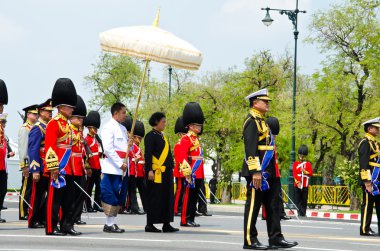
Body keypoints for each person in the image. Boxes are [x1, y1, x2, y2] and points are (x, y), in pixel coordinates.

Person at [242, 89, 297, 250]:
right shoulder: (251, 121)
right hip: (258, 171)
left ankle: (276, 238)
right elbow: (250, 148)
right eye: (264, 101)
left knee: (273, 205)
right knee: (253, 205)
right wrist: (255, 172)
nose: (267, 103)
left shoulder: (263, 121)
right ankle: (250, 240)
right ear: (255, 103)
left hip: (270, 171)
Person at [44, 78, 78, 236]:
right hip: (59, 167)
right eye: (70, 106)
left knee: (68, 200)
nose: (72, 109)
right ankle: (51, 227)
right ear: (61, 106)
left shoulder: (69, 125)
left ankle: (67, 225)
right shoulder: (54, 123)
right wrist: (53, 168)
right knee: (55, 200)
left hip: (69, 168)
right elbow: (50, 147)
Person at [144, 112, 178, 233]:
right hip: (156, 172)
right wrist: (149, 170)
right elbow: (148, 155)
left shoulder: (163, 136)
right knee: (155, 198)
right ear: (156, 122)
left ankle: (166, 223)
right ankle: (150, 224)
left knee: (167, 198)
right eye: (163, 121)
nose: (165, 124)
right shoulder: (150, 136)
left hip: (166, 172)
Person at [100, 102, 129, 233]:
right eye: (123, 112)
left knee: (119, 195)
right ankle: (109, 223)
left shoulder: (123, 129)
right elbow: (108, 149)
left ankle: (110, 223)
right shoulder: (108, 127)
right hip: (112, 167)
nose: (125, 115)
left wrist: (131, 144)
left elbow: (125, 148)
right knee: (110, 195)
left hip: (122, 167)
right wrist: (119, 163)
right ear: (115, 113)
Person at [27, 99, 53, 228]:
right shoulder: (37, 128)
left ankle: (42, 217)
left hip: (48, 166)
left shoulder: (48, 126)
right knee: (37, 195)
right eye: (48, 111)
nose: (50, 113)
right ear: (41, 112)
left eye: (51, 111)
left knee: (48, 194)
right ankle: (33, 219)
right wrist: (35, 169)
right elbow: (33, 149)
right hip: (40, 167)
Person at [179, 102, 205, 227]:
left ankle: (191, 218)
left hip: (199, 172)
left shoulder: (196, 138)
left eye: (200, 124)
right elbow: (182, 157)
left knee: (194, 197)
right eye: (197, 124)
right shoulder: (186, 138)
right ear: (190, 125)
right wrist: (187, 173)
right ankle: (185, 219)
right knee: (188, 197)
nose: (199, 127)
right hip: (192, 172)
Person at [263, 117, 291, 221]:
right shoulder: (267, 143)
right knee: (269, 196)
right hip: (269, 173)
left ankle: (280, 213)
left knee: (277, 195)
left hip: (276, 173)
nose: (274, 136)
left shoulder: (273, 143)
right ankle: (267, 214)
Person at [358, 118, 380, 236]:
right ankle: (364, 229)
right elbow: (364, 163)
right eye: (376, 127)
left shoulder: (375, 142)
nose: (378, 129)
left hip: (378, 179)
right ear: (369, 129)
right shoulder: (365, 142)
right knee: (368, 204)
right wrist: (367, 181)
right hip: (370, 179)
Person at [69, 95, 89, 227]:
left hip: (80, 167)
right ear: (71, 118)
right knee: (70, 196)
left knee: (80, 194)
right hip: (71, 166)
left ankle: (76, 216)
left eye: (82, 118)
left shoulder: (79, 132)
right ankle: (69, 218)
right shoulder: (68, 130)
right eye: (78, 117)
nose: (81, 120)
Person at [18, 104, 39, 220]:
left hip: (34, 163)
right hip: (28, 164)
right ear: (28, 115)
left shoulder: (34, 127)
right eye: (34, 114)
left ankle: (29, 210)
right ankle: (22, 212)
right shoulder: (24, 128)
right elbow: (23, 148)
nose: (36, 116)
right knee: (26, 189)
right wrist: (24, 166)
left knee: (31, 190)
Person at [84, 111, 104, 213]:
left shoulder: (96, 139)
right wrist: (88, 167)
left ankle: (97, 204)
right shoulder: (86, 139)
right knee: (89, 187)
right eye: (94, 128)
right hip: (91, 167)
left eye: (96, 128)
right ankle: (87, 205)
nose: (95, 130)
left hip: (97, 166)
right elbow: (85, 155)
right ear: (89, 128)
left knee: (99, 187)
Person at [127, 120, 146, 215]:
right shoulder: (131, 146)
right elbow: (131, 157)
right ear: (134, 137)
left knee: (143, 190)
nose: (140, 139)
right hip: (133, 171)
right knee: (132, 191)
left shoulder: (138, 147)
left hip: (139, 172)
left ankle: (146, 207)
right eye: (139, 137)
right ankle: (133, 207)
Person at [293, 145, 313, 217]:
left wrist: (305, 171)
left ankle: (303, 212)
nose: (302, 157)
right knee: (298, 199)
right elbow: (295, 173)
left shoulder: (308, 164)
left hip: (305, 184)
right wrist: (298, 182)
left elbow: (310, 173)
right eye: (300, 155)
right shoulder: (295, 164)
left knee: (304, 199)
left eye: (303, 155)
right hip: (298, 183)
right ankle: (299, 212)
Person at [173, 116, 188, 216]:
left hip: (184, 170)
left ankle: (181, 207)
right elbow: (179, 160)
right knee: (179, 190)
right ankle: (175, 209)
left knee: (183, 190)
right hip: (179, 170)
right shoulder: (178, 144)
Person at [0, 114, 9, 222]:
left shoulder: (4, 137)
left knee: (3, 190)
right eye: (1, 122)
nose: (3, 125)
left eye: (3, 122)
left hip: (3, 167)